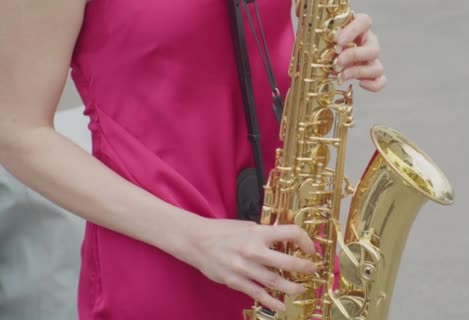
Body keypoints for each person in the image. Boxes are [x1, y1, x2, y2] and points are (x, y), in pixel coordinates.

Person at [0, 0, 386, 319]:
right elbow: (17, 132)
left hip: (290, 236)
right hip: (165, 259)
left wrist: (342, 44)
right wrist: (197, 239)